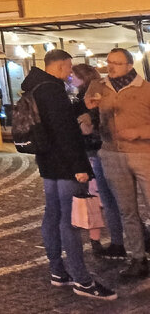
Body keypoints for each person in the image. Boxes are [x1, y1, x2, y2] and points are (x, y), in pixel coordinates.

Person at [28, 49, 116, 300]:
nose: (69, 74)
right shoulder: (53, 90)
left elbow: (59, 116)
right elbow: (65, 131)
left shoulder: (36, 86)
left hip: (47, 161)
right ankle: (82, 280)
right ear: (61, 65)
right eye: (68, 68)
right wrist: (80, 167)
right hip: (66, 164)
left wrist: (80, 104)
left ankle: (57, 271)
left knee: (52, 215)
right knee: (70, 221)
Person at [87, 47, 150, 281]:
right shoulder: (100, 87)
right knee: (127, 210)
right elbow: (89, 108)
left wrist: (139, 132)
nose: (111, 66)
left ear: (130, 66)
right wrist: (88, 113)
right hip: (112, 154)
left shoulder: (145, 90)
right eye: (109, 61)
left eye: (117, 62)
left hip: (144, 154)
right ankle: (138, 258)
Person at [72, 62, 125, 258]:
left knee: (105, 198)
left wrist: (81, 122)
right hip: (100, 150)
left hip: (97, 151)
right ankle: (117, 241)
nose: (71, 78)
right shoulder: (93, 93)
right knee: (108, 198)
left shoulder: (89, 96)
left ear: (82, 77)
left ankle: (119, 243)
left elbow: (90, 126)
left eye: (73, 75)